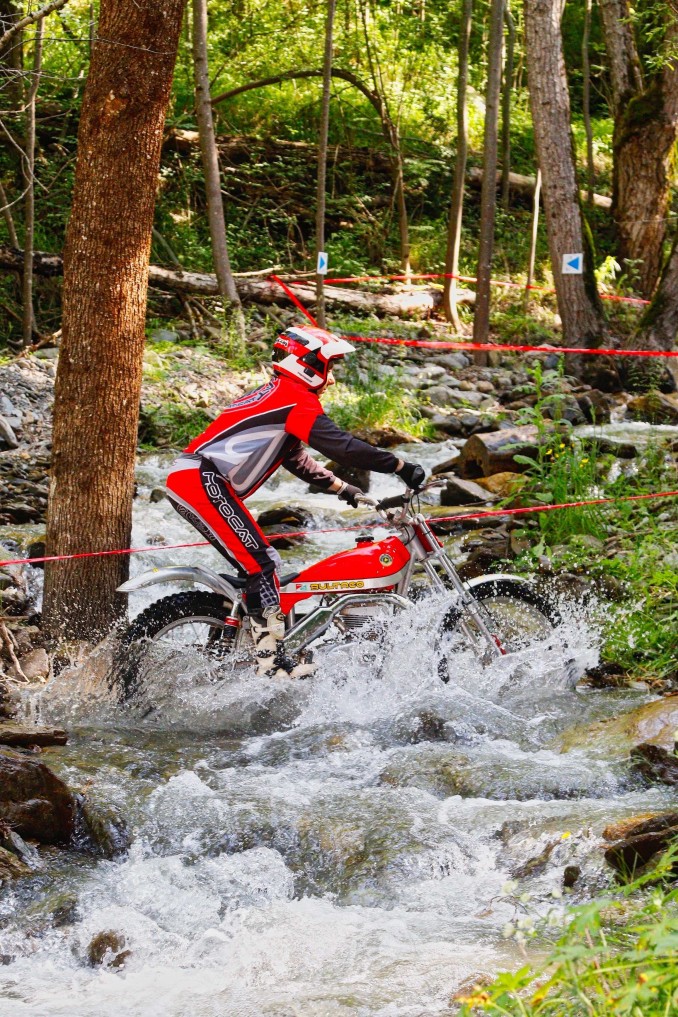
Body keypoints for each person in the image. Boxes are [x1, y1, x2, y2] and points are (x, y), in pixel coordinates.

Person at [166, 325, 425, 677]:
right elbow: (342, 446)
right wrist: (399, 465)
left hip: (195, 479)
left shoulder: (277, 393)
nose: (330, 379)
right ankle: (272, 662)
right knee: (264, 563)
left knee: (255, 564)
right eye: (328, 367)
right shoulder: (295, 398)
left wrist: (341, 488)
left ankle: (245, 631)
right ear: (306, 363)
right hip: (202, 480)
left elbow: (294, 457)